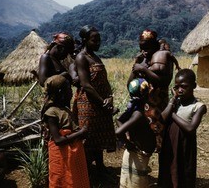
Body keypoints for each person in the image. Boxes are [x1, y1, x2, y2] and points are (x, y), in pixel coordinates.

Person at [72, 25, 117, 185]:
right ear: (85, 40)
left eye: (99, 39)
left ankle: (100, 168)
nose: (98, 42)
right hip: (89, 104)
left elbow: (103, 81)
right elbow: (86, 84)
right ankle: (84, 173)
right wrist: (102, 102)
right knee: (88, 138)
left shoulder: (95, 57)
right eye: (94, 40)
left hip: (101, 103)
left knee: (97, 138)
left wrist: (109, 98)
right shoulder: (81, 58)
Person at [158, 68, 207, 187]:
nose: (180, 90)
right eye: (177, 87)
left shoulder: (198, 107)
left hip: (184, 146)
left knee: (183, 171)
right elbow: (162, 119)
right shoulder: (175, 103)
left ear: (194, 86)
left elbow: (190, 128)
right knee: (167, 170)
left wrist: (173, 114)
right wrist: (172, 101)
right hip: (169, 143)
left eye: (184, 86)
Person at [41, 75, 90, 188]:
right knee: (62, 180)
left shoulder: (64, 109)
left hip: (71, 153)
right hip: (61, 155)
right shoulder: (51, 112)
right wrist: (80, 133)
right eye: (68, 89)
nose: (71, 92)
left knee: (74, 180)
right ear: (60, 92)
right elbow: (58, 140)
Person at [116, 78, 156, 188]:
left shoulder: (134, 109)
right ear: (146, 94)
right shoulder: (138, 114)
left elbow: (118, 120)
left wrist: (127, 135)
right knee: (136, 183)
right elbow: (118, 132)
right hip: (137, 155)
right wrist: (127, 142)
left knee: (128, 182)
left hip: (134, 154)